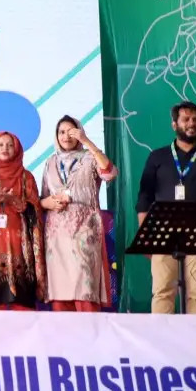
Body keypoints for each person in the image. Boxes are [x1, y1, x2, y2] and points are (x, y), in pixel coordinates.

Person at [135, 101, 196, 315]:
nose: (192, 124)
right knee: (162, 291)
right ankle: (161, 336)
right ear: (174, 124)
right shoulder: (157, 157)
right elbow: (144, 198)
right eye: (186, 119)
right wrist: (145, 237)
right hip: (163, 232)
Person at [38, 116, 117, 312]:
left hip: (84, 231)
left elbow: (109, 173)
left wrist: (87, 142)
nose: (66, 136)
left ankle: (90, 331)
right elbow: (42, 198)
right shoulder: (50, 162)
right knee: (60, 295)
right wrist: (47, 203)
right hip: (57, 237)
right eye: (62, 132)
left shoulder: (89, 157)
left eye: (71, 132)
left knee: (85, 290)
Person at [0, 131, 44, 310]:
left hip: (20, 243)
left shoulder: (26, 176)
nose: (5, 148)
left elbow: (34, 208)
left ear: (17, 149)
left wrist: (12, 200)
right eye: (0, 144)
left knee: (21, 300)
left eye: (10, 145)